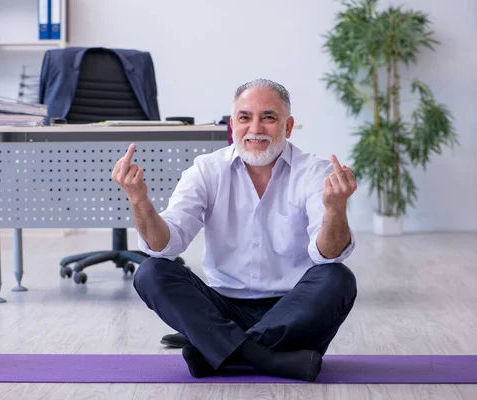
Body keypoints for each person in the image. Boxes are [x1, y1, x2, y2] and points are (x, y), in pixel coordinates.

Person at [111, 79, 358, 382]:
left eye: (268, 117)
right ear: (233, 125)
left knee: (338, 278)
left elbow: (328, 254)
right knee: (151, 272)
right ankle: (267, 359)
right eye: (245, 118)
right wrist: (139, 200)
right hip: (224, 308)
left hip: (293, 312)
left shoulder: (314, 172)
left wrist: (336, 209)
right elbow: (165, 246)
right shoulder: (206, 170)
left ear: (288, 126)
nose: (255, 128)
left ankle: (217, 350)